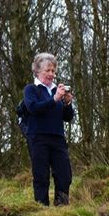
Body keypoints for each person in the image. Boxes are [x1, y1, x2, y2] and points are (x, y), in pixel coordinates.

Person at [23, 53, 74, 206]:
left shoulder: (56, 91)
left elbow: (68, 117)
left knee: (64, 174)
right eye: (48, 70)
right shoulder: (31, 90)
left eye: (53, 71)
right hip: (38, 137)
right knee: (41, 176)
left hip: (57, 137)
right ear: (37, 71)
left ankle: (62, 208)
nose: (51, 74)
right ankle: (41, 210)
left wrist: (67, 103)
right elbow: (34, 109)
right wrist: (54, 99)